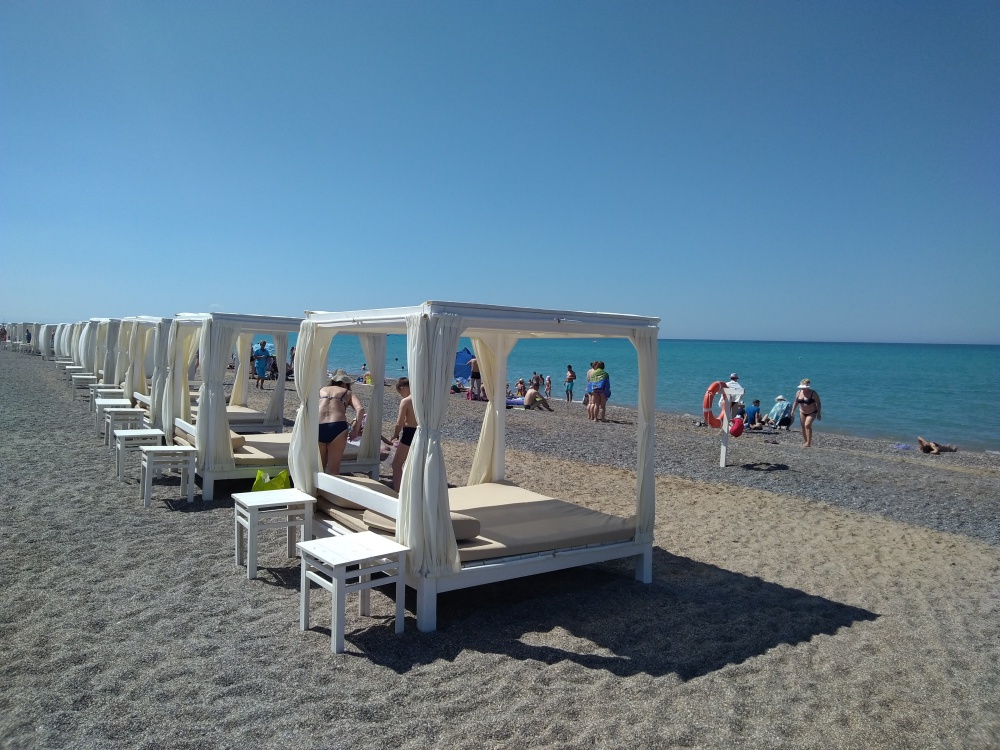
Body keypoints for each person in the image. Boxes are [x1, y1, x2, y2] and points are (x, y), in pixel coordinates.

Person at [318, 370, 365, 475]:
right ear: (344, 383)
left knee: (320, 467)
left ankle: (317, 486)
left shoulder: (321, 390)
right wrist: (355, 430)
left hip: (318, 426)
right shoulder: (347, 392)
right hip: (337, 426)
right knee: (334, 469)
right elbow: (360, 409)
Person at [390, 378, 417, 490]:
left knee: (396, 464)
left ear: (403, 389)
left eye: (400, 393)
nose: (401, 395)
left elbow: (399, 423)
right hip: (421, 433)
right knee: (415, 464)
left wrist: (395, 434)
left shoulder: (406, 401)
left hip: (409, 433)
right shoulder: (422, 399)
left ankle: (398, 493)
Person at [795, 378, 822, 447]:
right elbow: (796, 402)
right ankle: (806, 441)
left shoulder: (813, 393)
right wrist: (792, 410)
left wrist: (819, 413)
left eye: (804, 387)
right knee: (803, 427)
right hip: (802, 411)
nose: (803, 388)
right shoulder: (798, 392)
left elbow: (818, 403)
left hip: (812, 412)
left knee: (807, 425)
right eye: (802, 387)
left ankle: (809, 443)